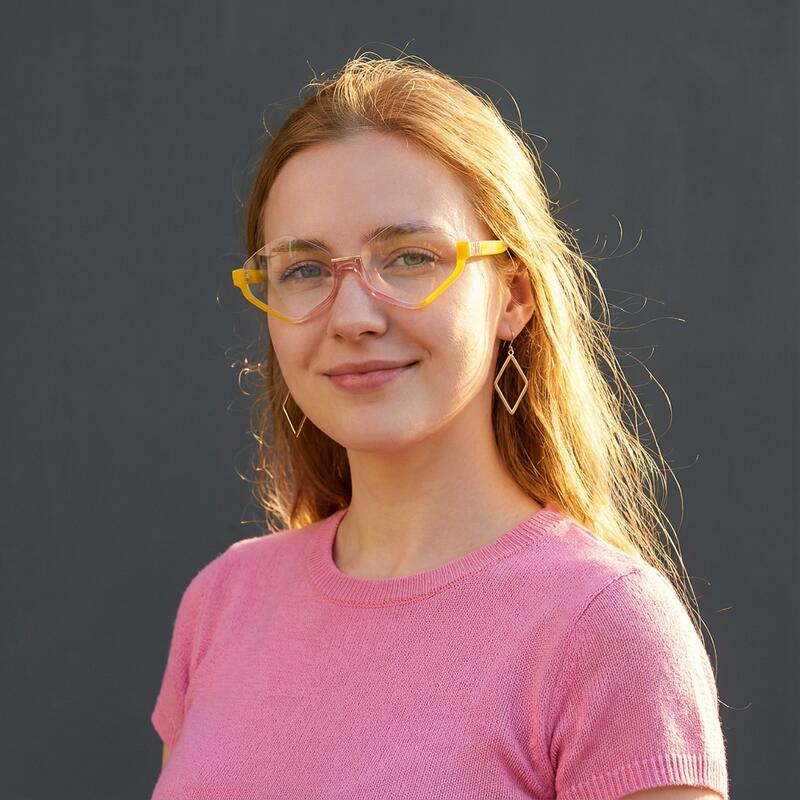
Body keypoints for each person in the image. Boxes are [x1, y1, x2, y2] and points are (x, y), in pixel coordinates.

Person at [149, 52, 729, 800]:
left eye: (410, 258)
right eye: (304, 270)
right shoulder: (223, 602)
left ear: (513, 296)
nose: (353, 317)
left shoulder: (606, 627)